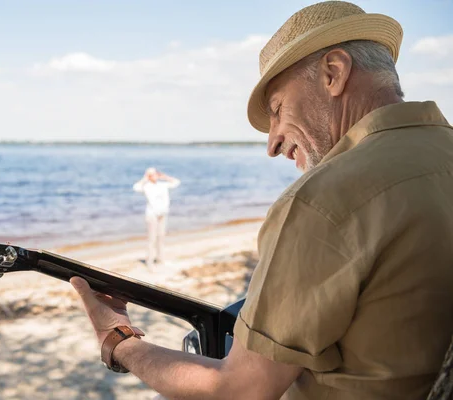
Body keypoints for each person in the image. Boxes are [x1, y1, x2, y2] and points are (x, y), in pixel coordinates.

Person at [70, 1, 453, 399]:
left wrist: (118, 340)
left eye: (278, 110)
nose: (272, 144)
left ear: (333, 73)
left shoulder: (325, 199)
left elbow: (237, 390)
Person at [132, 167, 181, 267]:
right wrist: (144, 179)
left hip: (162, 214)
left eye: (155, 174)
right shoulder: (146, 186)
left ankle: (161, 259)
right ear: (148, 176)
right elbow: (136, 187)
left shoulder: (162, 185)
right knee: (152, 239)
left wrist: (165, 177)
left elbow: (176, 182)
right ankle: (149, 262)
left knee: (161, 237)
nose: (153, 176)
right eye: (151, 174)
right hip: (152, 215)